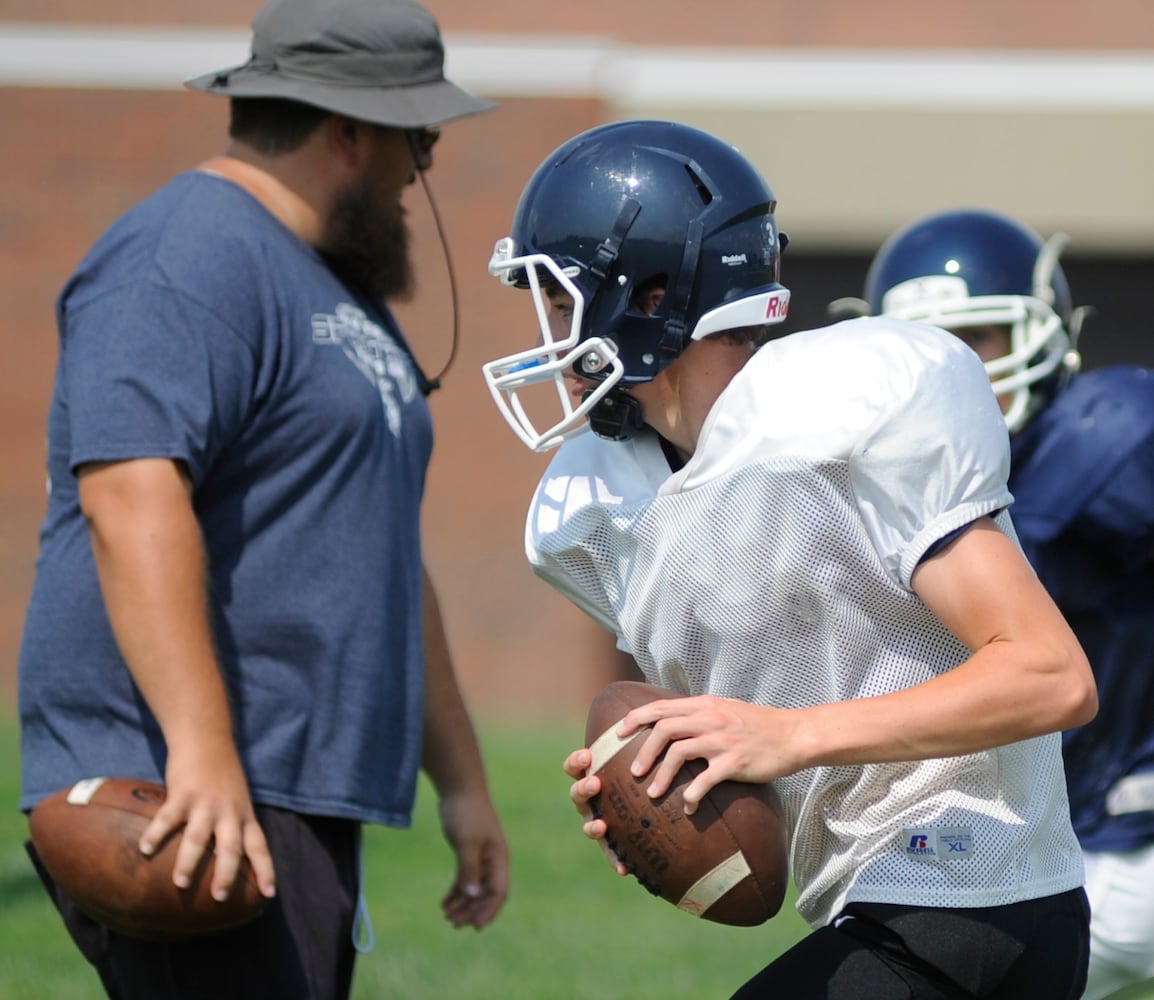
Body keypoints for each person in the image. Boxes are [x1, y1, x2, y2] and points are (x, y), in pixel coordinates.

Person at [481, 119, 1097, 999]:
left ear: (651, 295)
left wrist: (786, 736)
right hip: (875, 909)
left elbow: (1049, 677)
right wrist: (658, 793)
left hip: (977, 896)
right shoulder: (589, 509)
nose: (546, 335)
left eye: (558, 297)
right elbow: (758, 728)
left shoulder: (843, 409)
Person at [17, 0, 509, 997]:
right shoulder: (183, 254)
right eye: (416, 137)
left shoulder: (333, 287)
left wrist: (458, 780)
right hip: (182, 783)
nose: (421, 170)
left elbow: (382, 551)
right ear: (348, 131)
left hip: (294, 783)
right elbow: (129, 492)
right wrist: (201, 753)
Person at [864, 208, 1154, 1000]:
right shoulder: (876, 492)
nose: (958, 372)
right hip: (1015, 836)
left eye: (979, 340)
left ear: (1050, 335)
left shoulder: (1107, 438)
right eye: (931, 349)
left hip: (1124, 845)